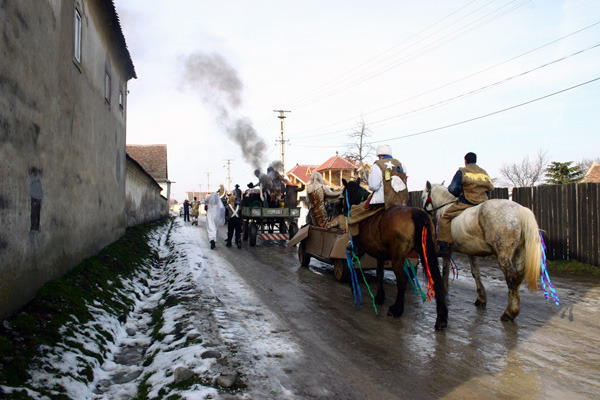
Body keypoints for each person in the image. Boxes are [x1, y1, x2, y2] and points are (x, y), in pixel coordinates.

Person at [437, 152, 494, 257]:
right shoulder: (484, 172)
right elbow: (490, 187)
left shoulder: (462, 171)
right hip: (483, 201)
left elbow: (452, 188)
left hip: (468, 201)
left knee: (445, 218)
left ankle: (444, 246)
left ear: (465, 161)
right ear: (476, 160)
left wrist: (459, 195)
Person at [347, 144, 408, 237]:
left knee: (354, 213)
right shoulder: (400, 165)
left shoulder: (378, 165)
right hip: (401, 201)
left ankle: (355, 244)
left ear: (379, 155)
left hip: (382, 201)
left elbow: (373, 186)